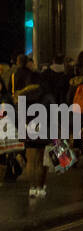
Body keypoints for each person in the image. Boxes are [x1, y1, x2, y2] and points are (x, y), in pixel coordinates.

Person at [11, 56, 48, 198]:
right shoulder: (45, 93)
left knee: (31, 159)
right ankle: (41, 188)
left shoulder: (22, 95)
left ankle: (33, 189)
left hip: (27, 126)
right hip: (43, 125)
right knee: (42, 159)